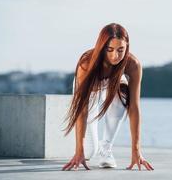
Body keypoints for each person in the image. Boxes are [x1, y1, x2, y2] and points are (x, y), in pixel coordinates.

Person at [62, 23, 154, 171]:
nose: (115, 56)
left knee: (124, 92)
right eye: (109, 49)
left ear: (127, 47)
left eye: (120, 50)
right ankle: (91, 149)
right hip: (89, 93)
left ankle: (106, 147)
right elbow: (82, 110)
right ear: (102, 47)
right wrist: (79, 150)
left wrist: (136, 151)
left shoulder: (133, 65)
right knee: (89, 151)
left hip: (115, 88)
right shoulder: (86, 63)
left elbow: (134, 108)